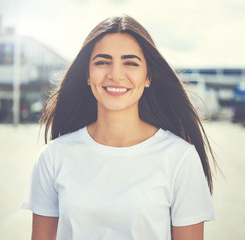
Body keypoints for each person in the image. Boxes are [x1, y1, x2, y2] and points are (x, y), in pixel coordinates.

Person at [22, 15, 216, 240]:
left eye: (131, 63)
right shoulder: (53, 157)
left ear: (148, 76)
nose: (115, 74)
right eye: (102, 62)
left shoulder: (180, 158)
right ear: (87, 74)